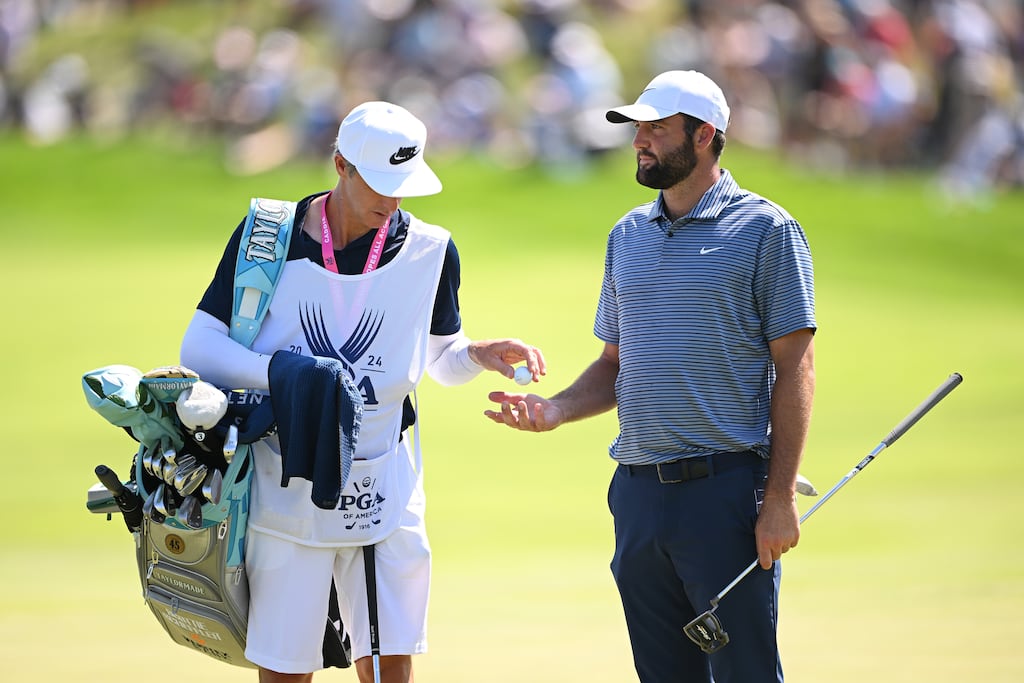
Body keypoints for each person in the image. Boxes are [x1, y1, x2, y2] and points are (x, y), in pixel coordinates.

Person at [180, 100, 545, 683]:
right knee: (284, 668)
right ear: (340, 165)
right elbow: (199, 348)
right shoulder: (266, 238)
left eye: (405, 185)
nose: (393, 201)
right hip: (284, 478)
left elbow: (437, 362)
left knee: (387, 663)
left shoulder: (432, 250)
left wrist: (475, 355)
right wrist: (286, 373)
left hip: (384, 481)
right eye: (380, 183)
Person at [484, 70, 816, 682]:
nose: (641, 140)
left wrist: (777, 498)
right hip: (637, 496)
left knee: (745, 674)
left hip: (725, 494)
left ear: (704, 135)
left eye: (657, 128)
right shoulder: (628, 235)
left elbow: (795, 365)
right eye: (638, 128)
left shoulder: (767, 230)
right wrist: (555, 409)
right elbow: (616, 363)